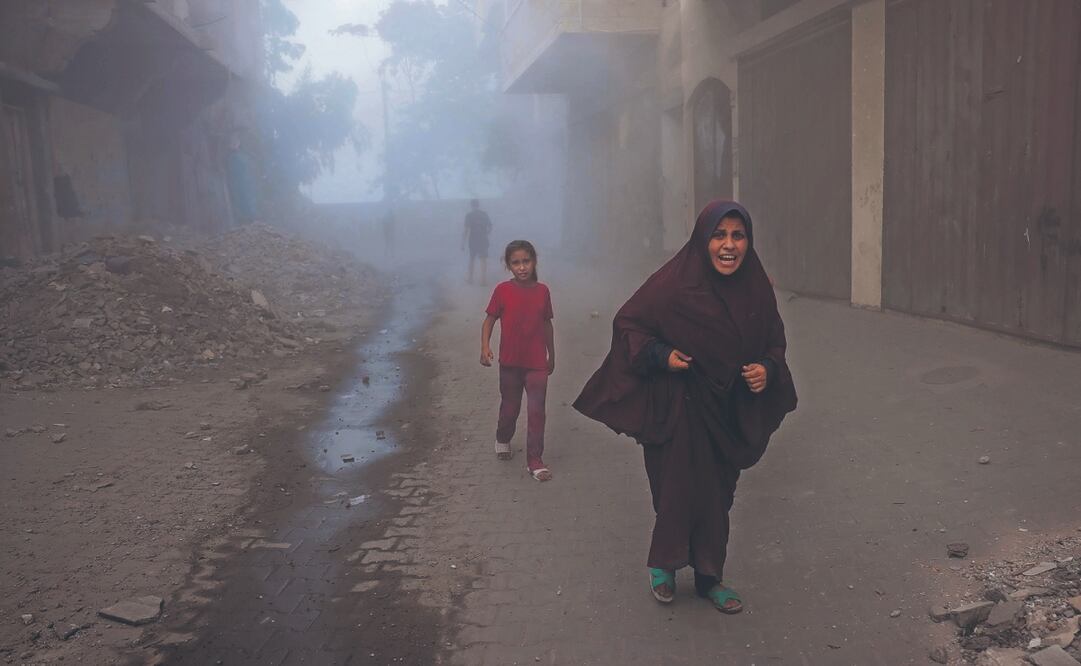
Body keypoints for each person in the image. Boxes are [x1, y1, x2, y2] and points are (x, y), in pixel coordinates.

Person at [573, 201, 797, 613]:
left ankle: (711, 577)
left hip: (728, 410)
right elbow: (629, 323)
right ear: (702, 239)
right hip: (677, 408)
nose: (729, 245)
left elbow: (773, 342)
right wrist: (662, 355)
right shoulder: (673, 283)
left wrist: (767, 368)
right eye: (719, 235)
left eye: (738, 235)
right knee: (675, 490)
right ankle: (665, 564)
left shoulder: (756, 287)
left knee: (717, 498)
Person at [480, 241, 556, 481]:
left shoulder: (543, 291)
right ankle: (503, 437)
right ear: (508, 265)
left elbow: (546, 324)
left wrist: (551, 355)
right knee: (510, 408)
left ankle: (535, 461)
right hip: (510, 363)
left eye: (526, 261)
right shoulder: (503, 290)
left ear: (534, 262)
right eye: (516, 263)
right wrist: (485, 347)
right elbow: (489, 320)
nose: (522, 267)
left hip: (536, 363)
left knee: (536, 411)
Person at [226, 133, 259, 227]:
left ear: (239, 143)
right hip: (237, 182)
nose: (233, 144)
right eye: (231, 143)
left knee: (248, 199)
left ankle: (252, 219)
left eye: (235, 142)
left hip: (245, 181)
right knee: (239, 199)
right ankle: (243, 220)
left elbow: (247, 168)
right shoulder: (231, 157)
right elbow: (231, 170)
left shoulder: (243, 155)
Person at [462, 199, 493, 284]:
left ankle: (470, 279)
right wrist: (486, 233)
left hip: (473, 240)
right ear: (478, 205)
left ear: (471, 205)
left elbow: (466, 230)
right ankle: (483, 280)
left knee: (472, 259)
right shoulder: (484, 214)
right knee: (483, 259)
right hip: (483, 239)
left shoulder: (469, 215)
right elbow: (490, 227)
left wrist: (463, 243)